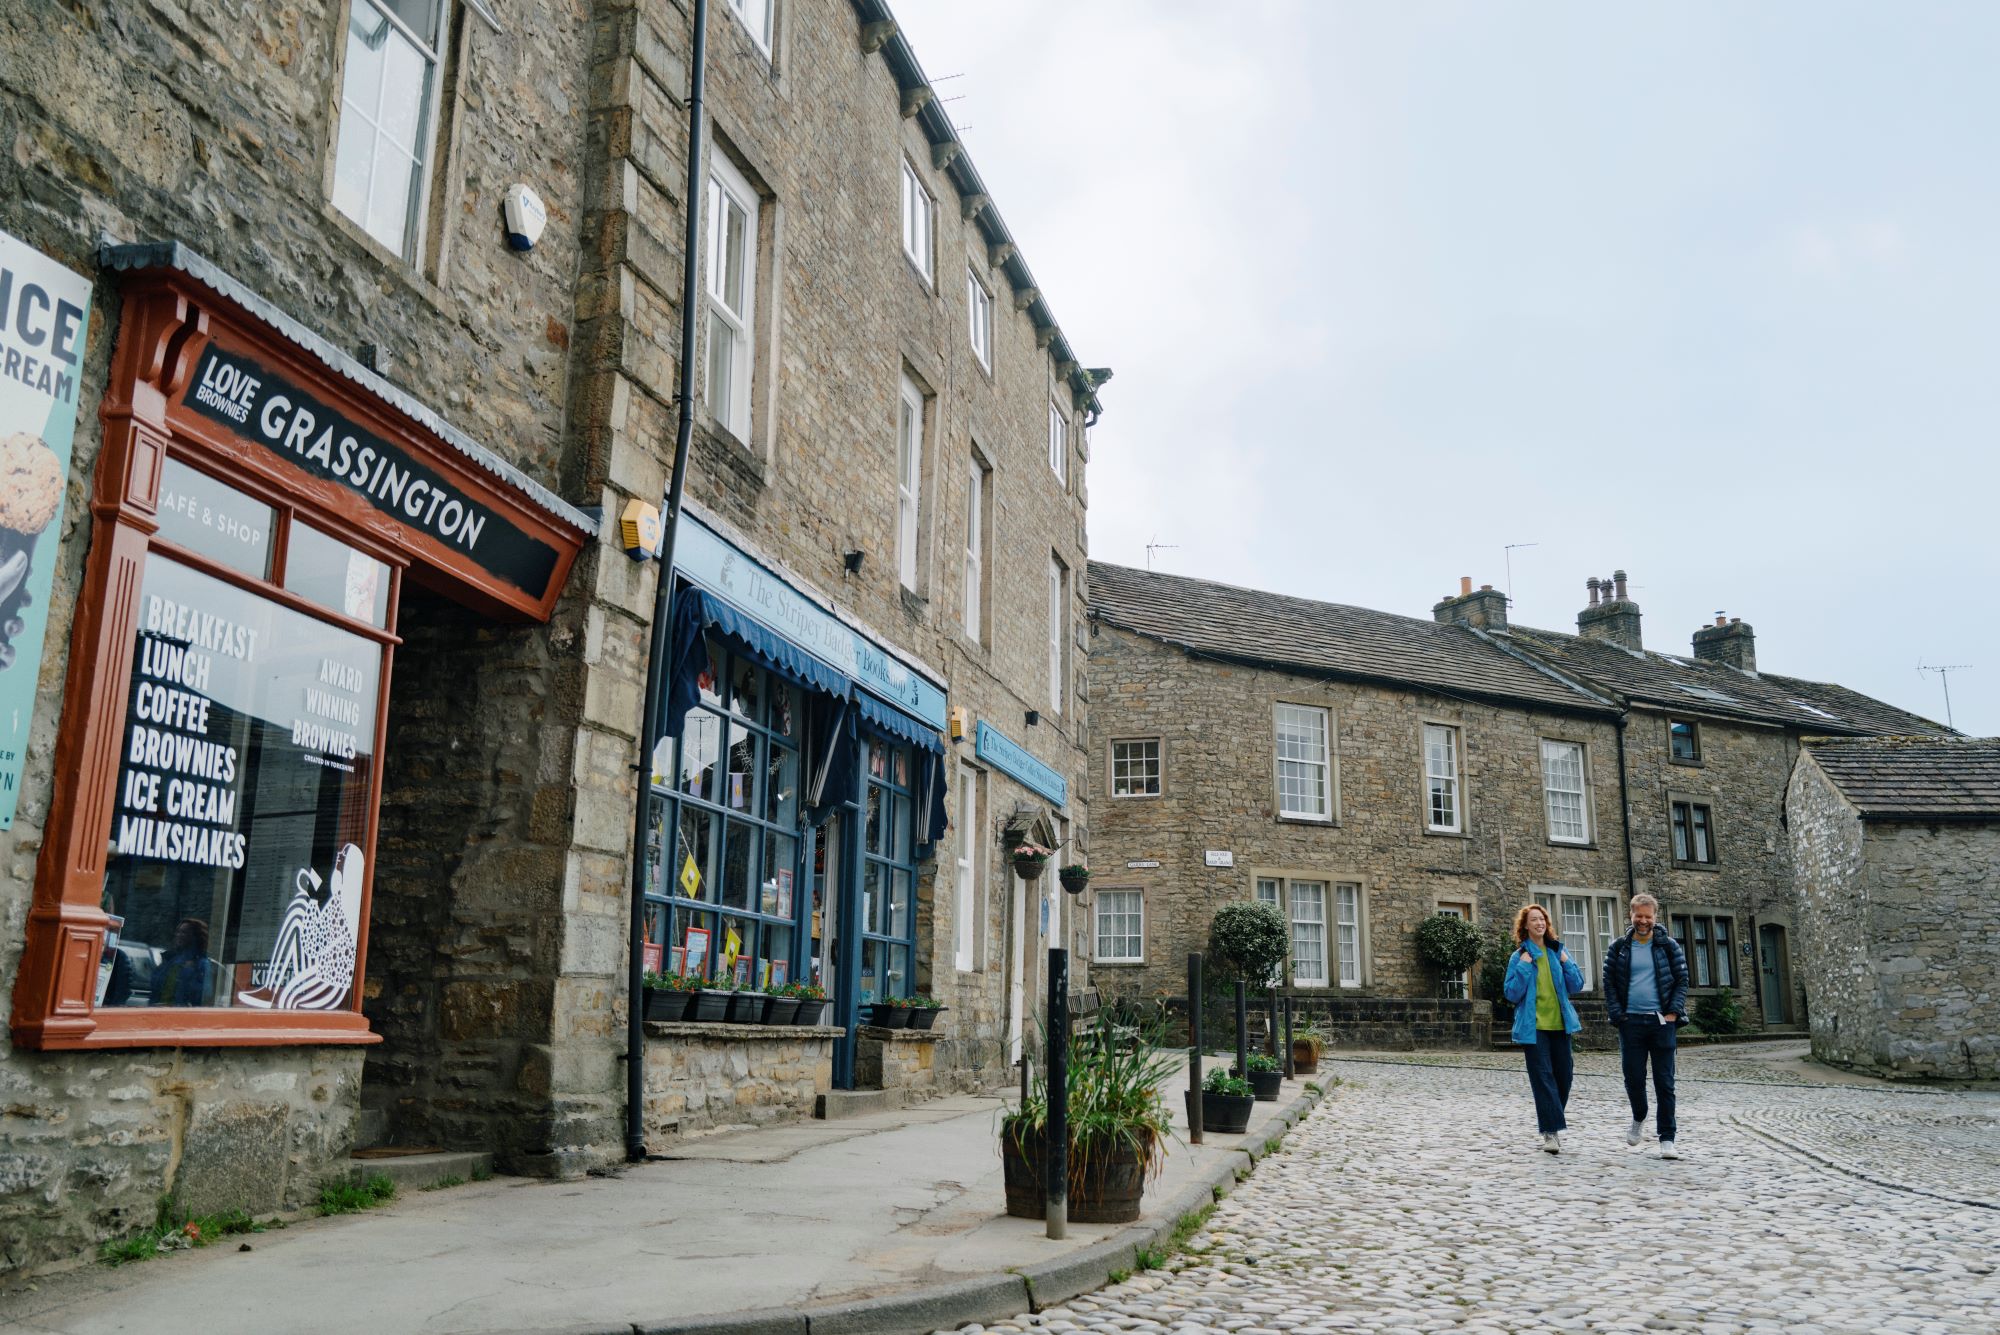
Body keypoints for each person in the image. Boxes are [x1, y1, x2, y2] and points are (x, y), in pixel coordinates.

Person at [1603, 893, 1689, 1160]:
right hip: (1631, 1023)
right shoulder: (1619, 947)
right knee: (1634, 1079)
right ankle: (1639, 1116)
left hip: (1662, 1023)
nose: (1643, 921)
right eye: (1638, 916)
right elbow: (1609, 984)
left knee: (1665, 1083)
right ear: (1631, 916)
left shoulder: (1669, 946)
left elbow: (1681, 979)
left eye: (1647, 916)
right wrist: (1618, 1015)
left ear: (1655, 917)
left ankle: (1667, 1139)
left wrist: (1673, 1012)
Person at [1503, 903, 1584, 1154]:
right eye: (1534, 920)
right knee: (1543, 1080)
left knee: (1564, 1077)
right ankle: (1550, 1131)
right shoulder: (1519, 957)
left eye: (1543, 920)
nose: (1539, 923)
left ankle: (1551, 1120)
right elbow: (1511, 993)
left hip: (1560, 1026)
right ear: (1525, 926)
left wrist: (1566, 961)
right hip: (1534, 1028)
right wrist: (1525, 965)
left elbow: (1577, 985)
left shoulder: (1557, 952)